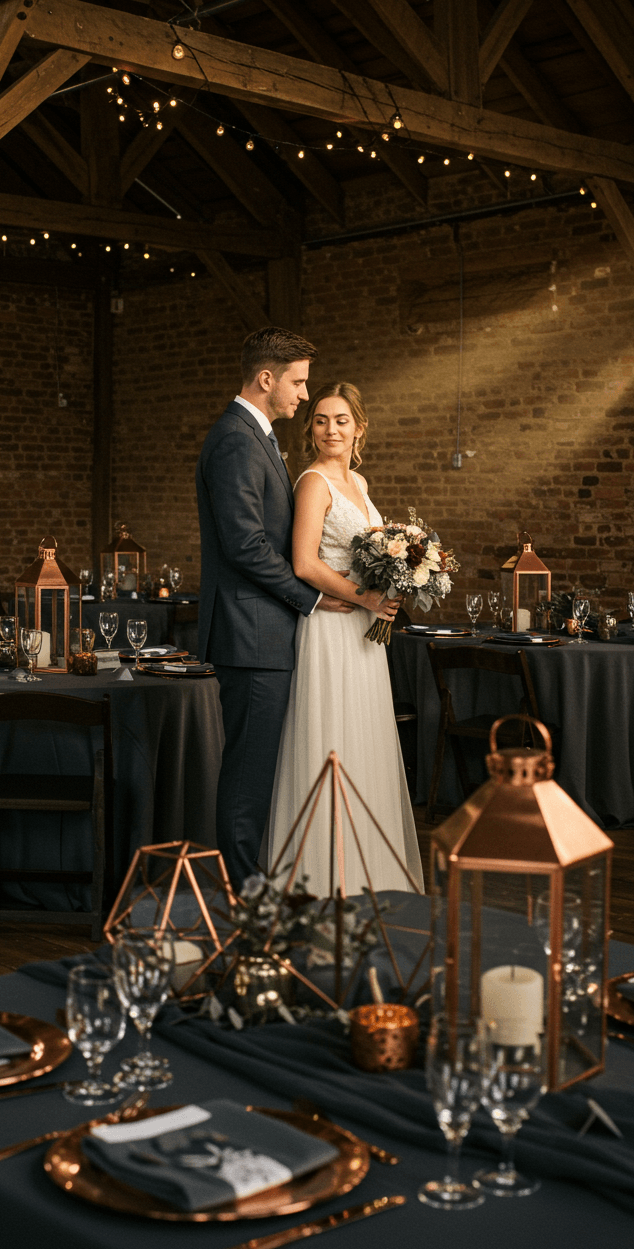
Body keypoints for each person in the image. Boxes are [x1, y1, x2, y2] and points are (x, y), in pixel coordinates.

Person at [196, 330, 392, 893]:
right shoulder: (236, 440)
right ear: (268, 379)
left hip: (267, 629)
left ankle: (255, 880)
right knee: (249, 772)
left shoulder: (256, 439)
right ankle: (243, 892)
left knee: (259, 770)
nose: (304, 396)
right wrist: (315, 596)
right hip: (249, 630)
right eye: (299, 382)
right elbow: (245, 546)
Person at [266, 382, 424, 896]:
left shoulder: (357, 480)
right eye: (319, 420)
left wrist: (394, 586)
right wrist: (367, 598)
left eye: (340, 420)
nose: (330, 429)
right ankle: (322, 877)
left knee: (365, 737)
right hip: (332, 628)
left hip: (363, 631)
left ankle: (370, 870)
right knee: (331, 734)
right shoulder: (313, 482)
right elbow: (305, 563)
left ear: (359, 427)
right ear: (311, 430)